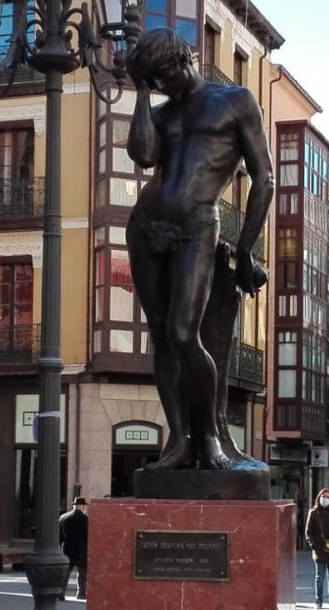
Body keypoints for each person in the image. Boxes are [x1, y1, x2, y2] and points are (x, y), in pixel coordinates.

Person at [126, 27, 273, 470]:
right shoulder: (162, 112)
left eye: (163, 75)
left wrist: (246, 249)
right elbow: (143, 156)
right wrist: (139, 92)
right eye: (152, 81)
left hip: (196, 225)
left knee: (183, 333)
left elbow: (264, 178)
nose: (161, 86)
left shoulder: (235, 101)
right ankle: (178, 441)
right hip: (147, 225)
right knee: (161, 338)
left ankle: (208, 437)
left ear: (184, 58)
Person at [305, 488, 329, 609]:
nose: (325, 499)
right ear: (319, 497)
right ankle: (318, 601)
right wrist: (313, 545)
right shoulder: (314, 512)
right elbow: (308, 532)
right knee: (319, 577)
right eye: (323, 496)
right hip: (319, 550)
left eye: (327, 497)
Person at [59, 496, 89, 600]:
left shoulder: (63, 517)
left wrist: (60, 546)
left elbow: (60, 536)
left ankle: (61, 592)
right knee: (82, 573)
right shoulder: (86, 519)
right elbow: (88, 536)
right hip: (81, 549)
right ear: (84, 506)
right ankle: (81, 593)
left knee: (65, 572)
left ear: (74, 506)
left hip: (67, 548)